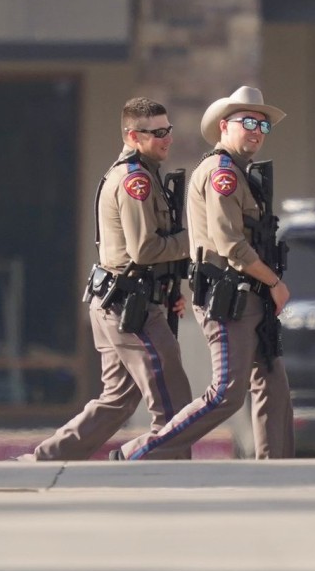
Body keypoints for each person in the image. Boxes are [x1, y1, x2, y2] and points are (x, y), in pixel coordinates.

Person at [114, 86, 294, 461]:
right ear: (224, 126)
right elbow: (232, 246)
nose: (257, 130)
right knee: (226, 394)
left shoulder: (242, 174)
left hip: (249, 294)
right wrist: (275, 283)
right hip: (228, 297)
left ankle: (276, 468)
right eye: (248, 122)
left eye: (263, 125)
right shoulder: (221, 173)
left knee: (273, 384)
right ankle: (139, 451)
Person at [20, 97, 193, 461]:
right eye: (157, 132)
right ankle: (142, 460)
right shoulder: (135, 181)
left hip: (121, 302)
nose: (167, 139)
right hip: (132, 308)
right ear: (133, 136)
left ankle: (45, 458)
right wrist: (197, 240)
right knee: (174, 405)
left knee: (117, 399)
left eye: (168, 130)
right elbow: (145, 250)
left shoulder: (142, 174)